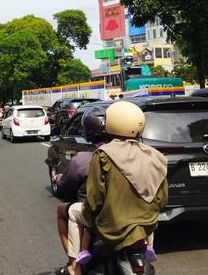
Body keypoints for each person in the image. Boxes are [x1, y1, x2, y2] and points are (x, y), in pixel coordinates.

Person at [77, 101, 168, 275]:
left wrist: (89, 219)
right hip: (146, 226)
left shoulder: (103, 155)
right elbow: (162, 200)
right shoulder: (156, 156)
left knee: (72, 214)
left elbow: (94, 200)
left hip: (112, 227)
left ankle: (75, 265)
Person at [53, 105, 106, 275]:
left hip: (95, 212)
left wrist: (58, 179)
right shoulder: (134, 154)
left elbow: (65, 184)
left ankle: (74, 265)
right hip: (130, 211)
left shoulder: (84, 159)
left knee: (62, 211)